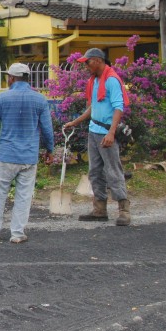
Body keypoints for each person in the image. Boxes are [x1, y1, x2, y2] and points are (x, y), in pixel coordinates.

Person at [0, 62, 54, 244]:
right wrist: (49, 149)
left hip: (7, 155)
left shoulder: (2, 98)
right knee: (24, 195)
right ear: (27, 78)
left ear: (11, 78)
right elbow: (47, 129)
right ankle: (18, 233)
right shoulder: (40, 100)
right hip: (29, 156)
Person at [63, 48, 131, 226]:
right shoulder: (95, 80)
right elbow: (93, 107)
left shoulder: (111, 80)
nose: (86, 66)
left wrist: (111, 133)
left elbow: (119, 107)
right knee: (95, 172)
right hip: (94, 131)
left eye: (88, 62)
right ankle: (99, 210)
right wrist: (75, 122)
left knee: (113, 171)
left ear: (98, 61)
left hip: (106, 133)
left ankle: (124, 210)